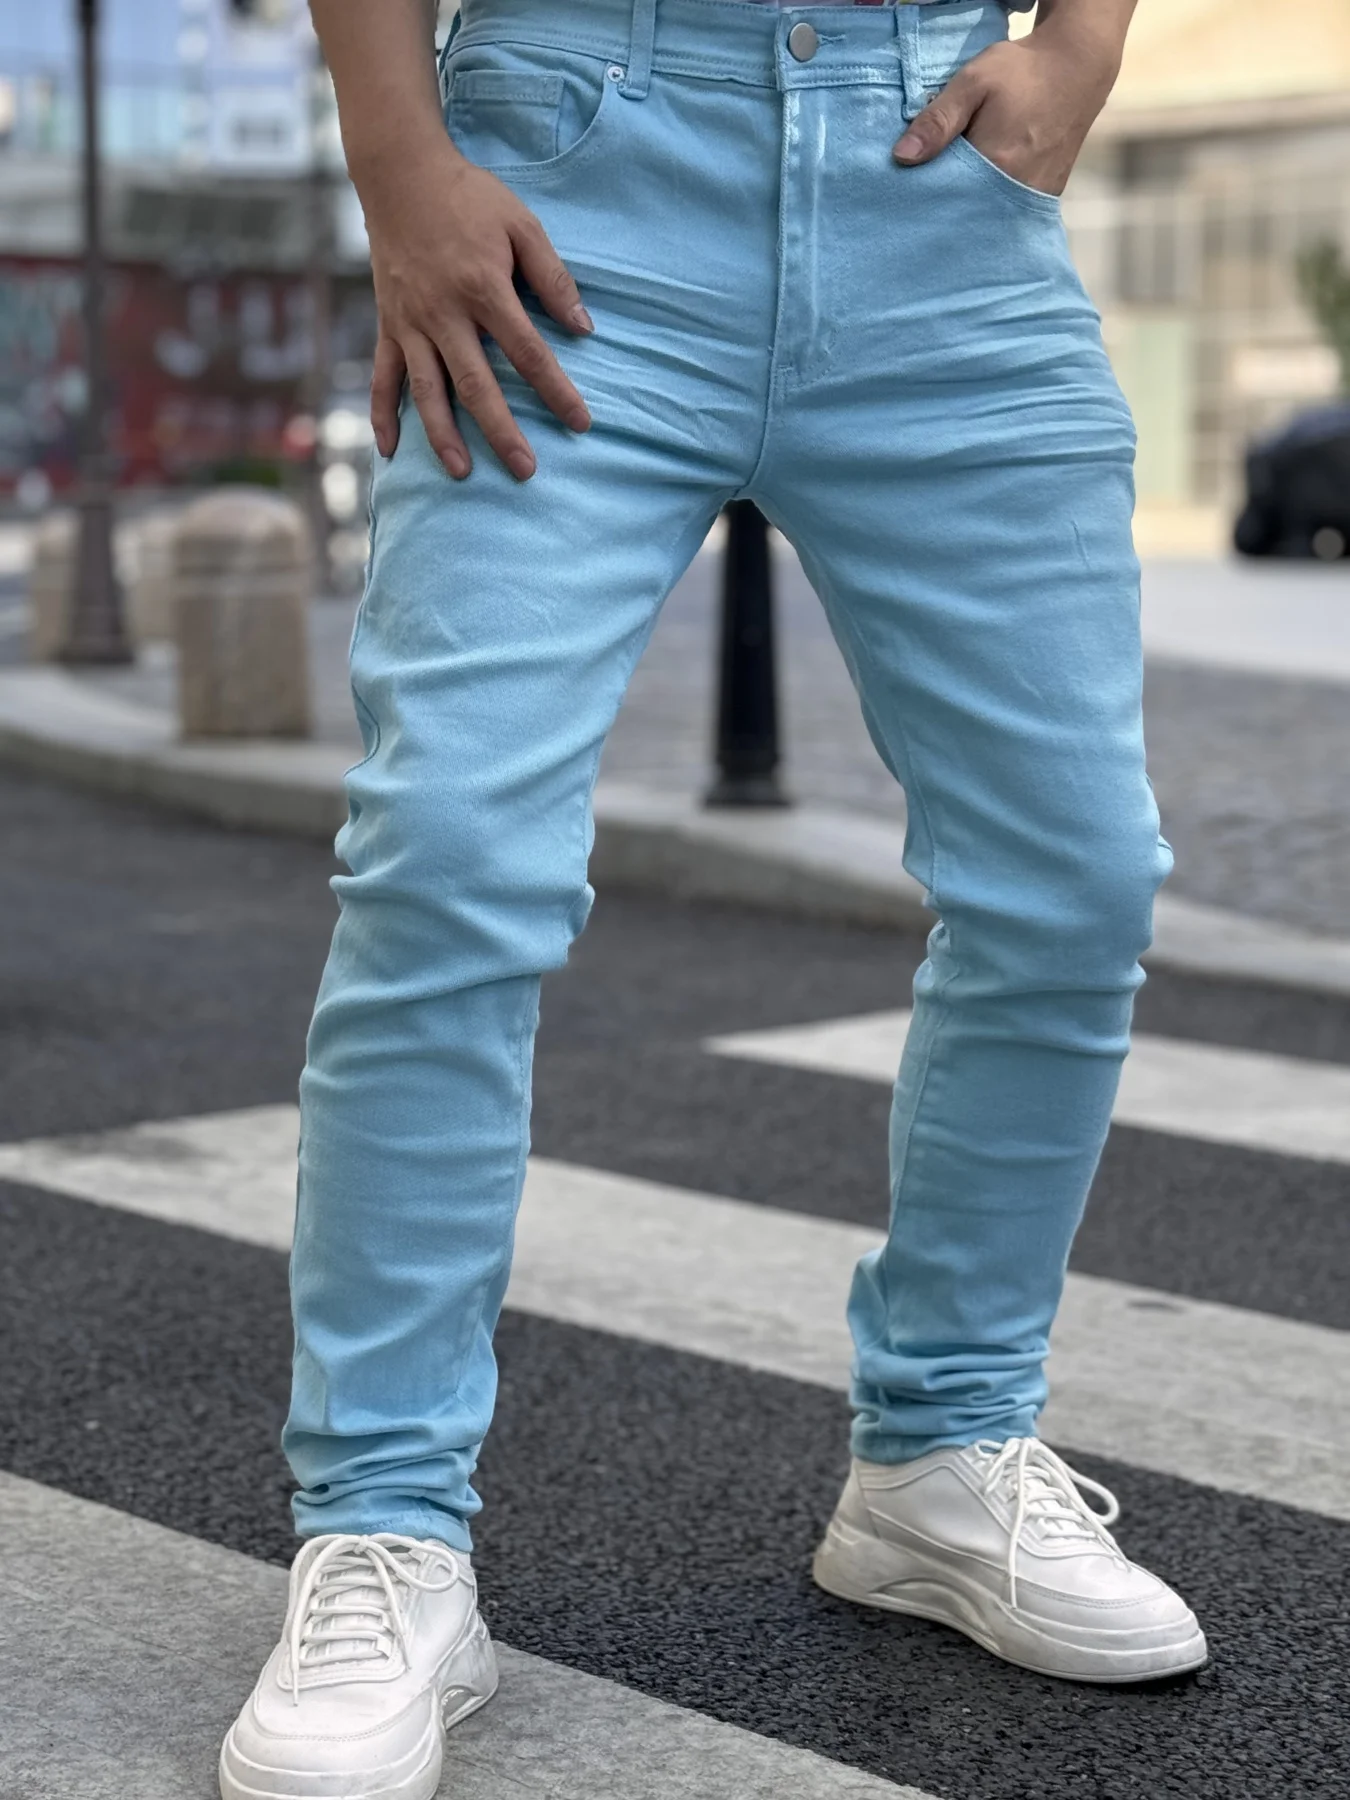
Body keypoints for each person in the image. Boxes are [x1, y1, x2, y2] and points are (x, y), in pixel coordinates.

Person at [219, 0, 1207, 1794]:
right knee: (449, 855)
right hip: (575, 173)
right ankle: (383, 1530)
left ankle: (941, 1455)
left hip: (938, 186)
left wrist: (1083, 41)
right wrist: (399, 163)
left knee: (1072, 873)